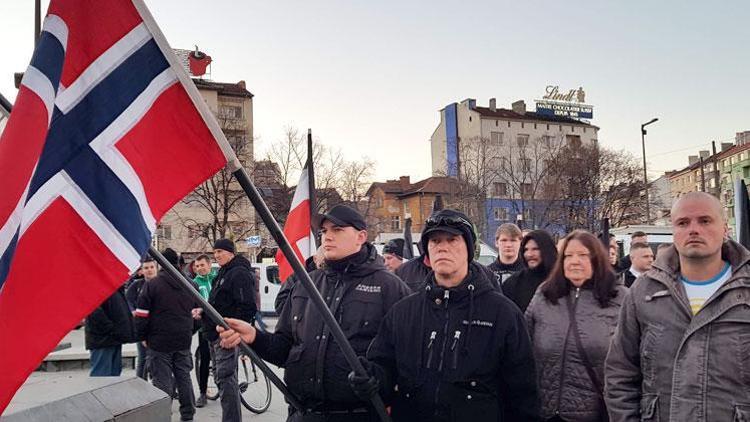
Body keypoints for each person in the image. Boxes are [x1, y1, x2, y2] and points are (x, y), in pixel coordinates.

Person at [217, 204, 410, 421]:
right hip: (303, 412)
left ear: (361, 236)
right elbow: (284, 348)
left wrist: (379, 381)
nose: (327, 237)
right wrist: (254, 337)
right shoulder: (306, 284)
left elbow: (407, 363)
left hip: (360, 415)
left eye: (337, 230)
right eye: (324, 231)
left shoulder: (390, 287)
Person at [349, 209, 539, 421]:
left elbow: (524, 394)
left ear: (469, 249)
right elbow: (384, 370)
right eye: (435, 241)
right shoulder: (403, 312)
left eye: (452, 240)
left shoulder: (502, 314)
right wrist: (372, 378)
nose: (442, 247)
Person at [605, 192, 750, 421]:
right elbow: (621, 373)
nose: (693, 229)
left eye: (705, 220)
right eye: (683, 222)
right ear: (674, 231)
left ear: (725, 229)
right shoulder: (645, 292)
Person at [525, 230, 626, 422]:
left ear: (597, 259)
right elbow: (523, 346)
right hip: (546, 414)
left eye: (582, 255)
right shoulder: (545, 294)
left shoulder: (620, 298)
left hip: (598, 414)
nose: (574, 261)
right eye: (568, 256)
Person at [135, 248, 201, 422]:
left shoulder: (152, 285)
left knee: (162, 382)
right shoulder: (191, 285)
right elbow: (199, 313)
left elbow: (141, 315)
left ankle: (163, 416)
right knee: (184, 378)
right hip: (183, 340)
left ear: (160, 263)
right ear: (178, 263)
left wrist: (143, 337)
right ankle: (188, 415)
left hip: (158, 342)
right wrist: (190, 331)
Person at [201, 238, 257, 422]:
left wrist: (234, 330)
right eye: (215, 252)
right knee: (222, 378)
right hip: (215, 333)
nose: (216, 255)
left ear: (231, 253)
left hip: (226, 335)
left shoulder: (238, 273)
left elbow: (247, 306)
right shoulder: (223, 272)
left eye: (220, 252)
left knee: (226, 379)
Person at [502, 230, 558, 312]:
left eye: (535, 249)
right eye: (526, 250)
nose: (529, 254)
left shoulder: (562, 280)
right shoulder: (514, 283)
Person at [85, 285, 135, 376]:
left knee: (113, 377)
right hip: (102, 339)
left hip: (114, 338)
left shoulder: (115, 288)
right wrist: (112, 328)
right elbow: (94, 312)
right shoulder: (97, 286)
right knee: (101, 376)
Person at [126, 258, 158, 380]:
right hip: (142, 327)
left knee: (162, 360)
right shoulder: (136, 285)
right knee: (143, 358)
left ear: (156, 268)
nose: (149, 270)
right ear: (142, 271)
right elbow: (127, 300)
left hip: (160, 328)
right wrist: (132, 311)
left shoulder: (163, 284)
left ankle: (165, 388)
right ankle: (140, 385)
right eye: (146, 268)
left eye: (151, 267)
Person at [191, 254, 216, 408]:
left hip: (221, 325)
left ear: (209, 264)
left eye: (202, 265)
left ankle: (227, 388)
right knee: (205, 360)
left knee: (223, 359)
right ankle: (202, 392)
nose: (199, 268)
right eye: (197, 266)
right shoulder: (194, 283)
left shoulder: (217, 278)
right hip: (204, 327)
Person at [274, 246, 325, 315]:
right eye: (322, 265)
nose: (325, 270)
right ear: (315, 259)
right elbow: (280, 305)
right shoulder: (297, 277)